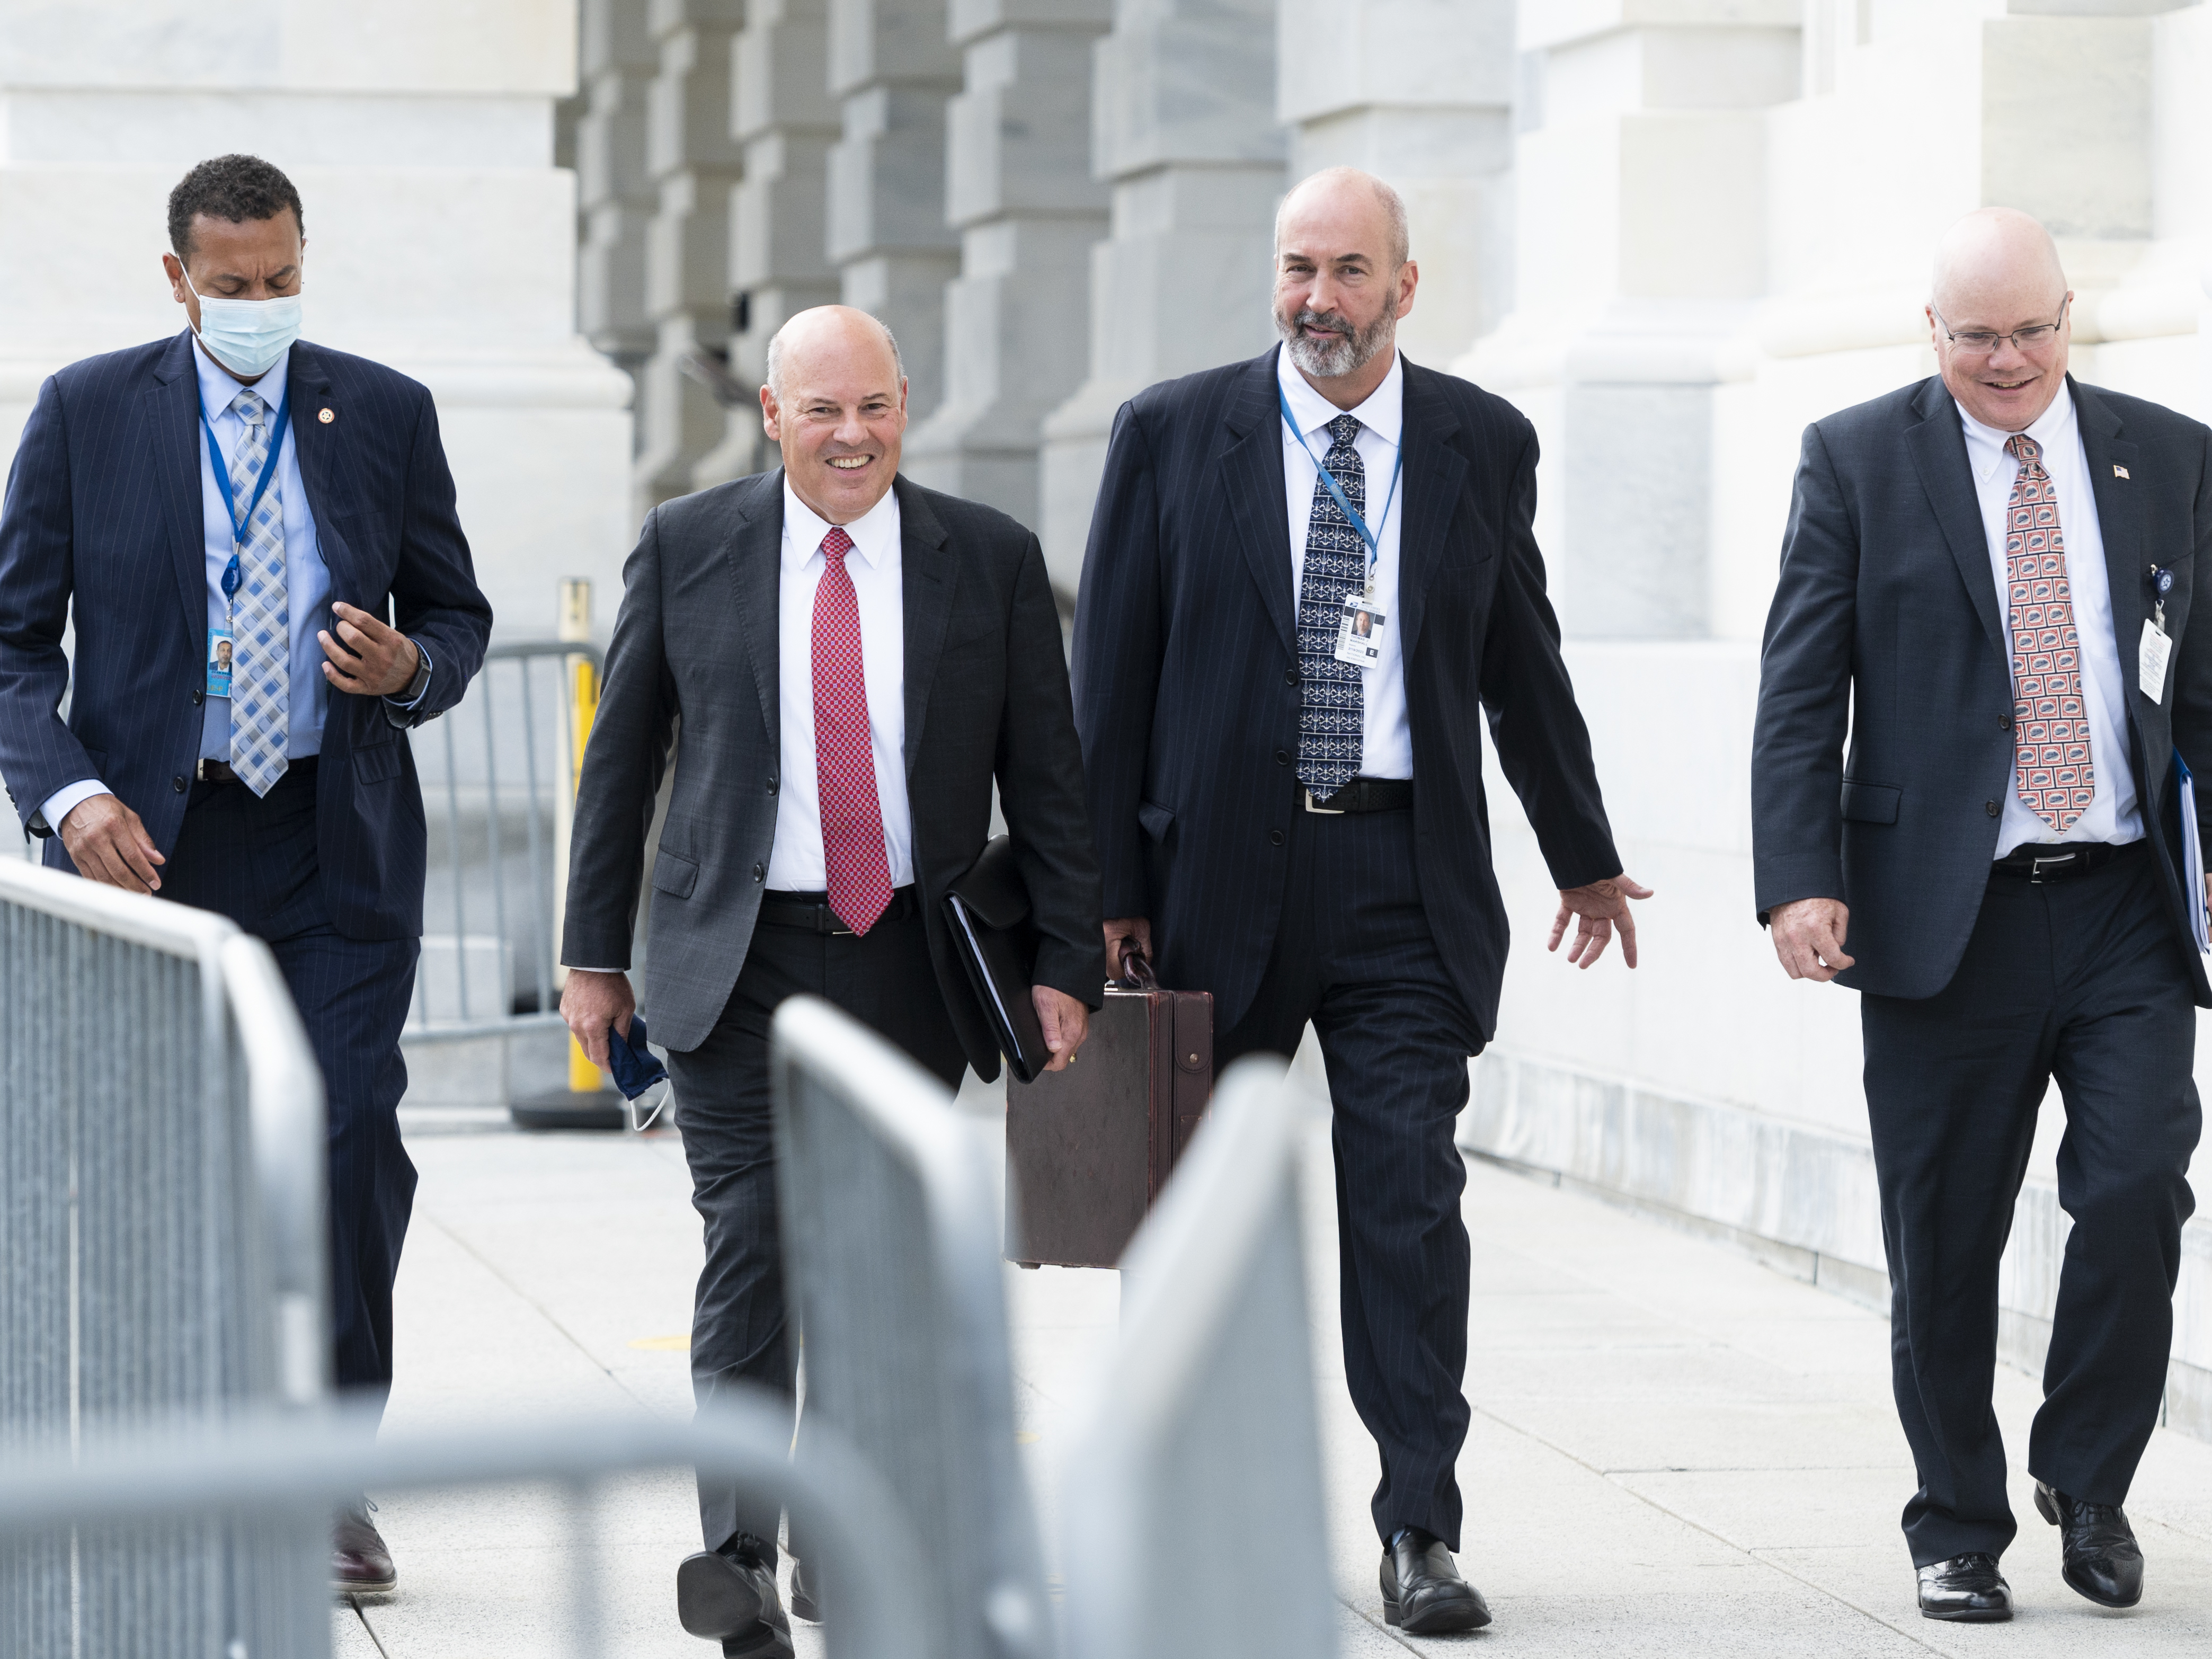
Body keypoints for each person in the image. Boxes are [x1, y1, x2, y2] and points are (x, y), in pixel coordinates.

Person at [1071, 166, 1648, 1636]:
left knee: (1409, 1201)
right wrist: (1106, 892)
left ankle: (1419, 1527)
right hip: (1212, 879)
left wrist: (1580, 847)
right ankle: (1179, 1503)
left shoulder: (1477, 441)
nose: (1314, 299)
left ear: (1405, 284)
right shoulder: (1171, 433)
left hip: (1402, 877)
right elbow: (1112, 679)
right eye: (1295, 268)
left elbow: (1521, 662)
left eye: (1345, 271)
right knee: (1185, 1207)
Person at [559, 305, 1102, 1656]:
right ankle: (738, 1555)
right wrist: (589, 953)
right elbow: (621, 759)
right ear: (772, 413)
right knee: (755, 1245)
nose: (851, 436)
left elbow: (1050, 783)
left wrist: (1068, 962)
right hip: (733, 961)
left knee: (872, 1266)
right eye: (822, 412)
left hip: (908, 963)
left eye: (873, 408)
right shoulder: (692, 547)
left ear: (904, 405)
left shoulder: (988, 558)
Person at [0, 154, 492, 1593]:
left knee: (346, 1142)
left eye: (283, 278)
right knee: (163, 1166)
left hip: (330, 843)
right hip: (154, 848)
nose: (263, 303)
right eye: (234, 286)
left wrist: (410, 667)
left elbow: (453, 611)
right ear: (178, 280)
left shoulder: (383, 410)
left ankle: (327, 1479)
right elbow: (16, 643)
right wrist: (72, 789)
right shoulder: (91, 413)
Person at [1753, 207, 2212, 1622]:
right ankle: (1956, 1520)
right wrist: (1798, 874)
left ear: (2073, 317)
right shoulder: (1857, 456)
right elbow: (1799, 684)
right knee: (1942, 1232)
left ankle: (2087, 1472)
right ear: (1929, 331)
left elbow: (2202, 680)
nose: (2009, 360)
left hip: (2127, 897)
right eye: (1977, 335)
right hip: (1946, 910)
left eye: (2034, 329)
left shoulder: (2168, 453)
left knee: (2137, 1185)